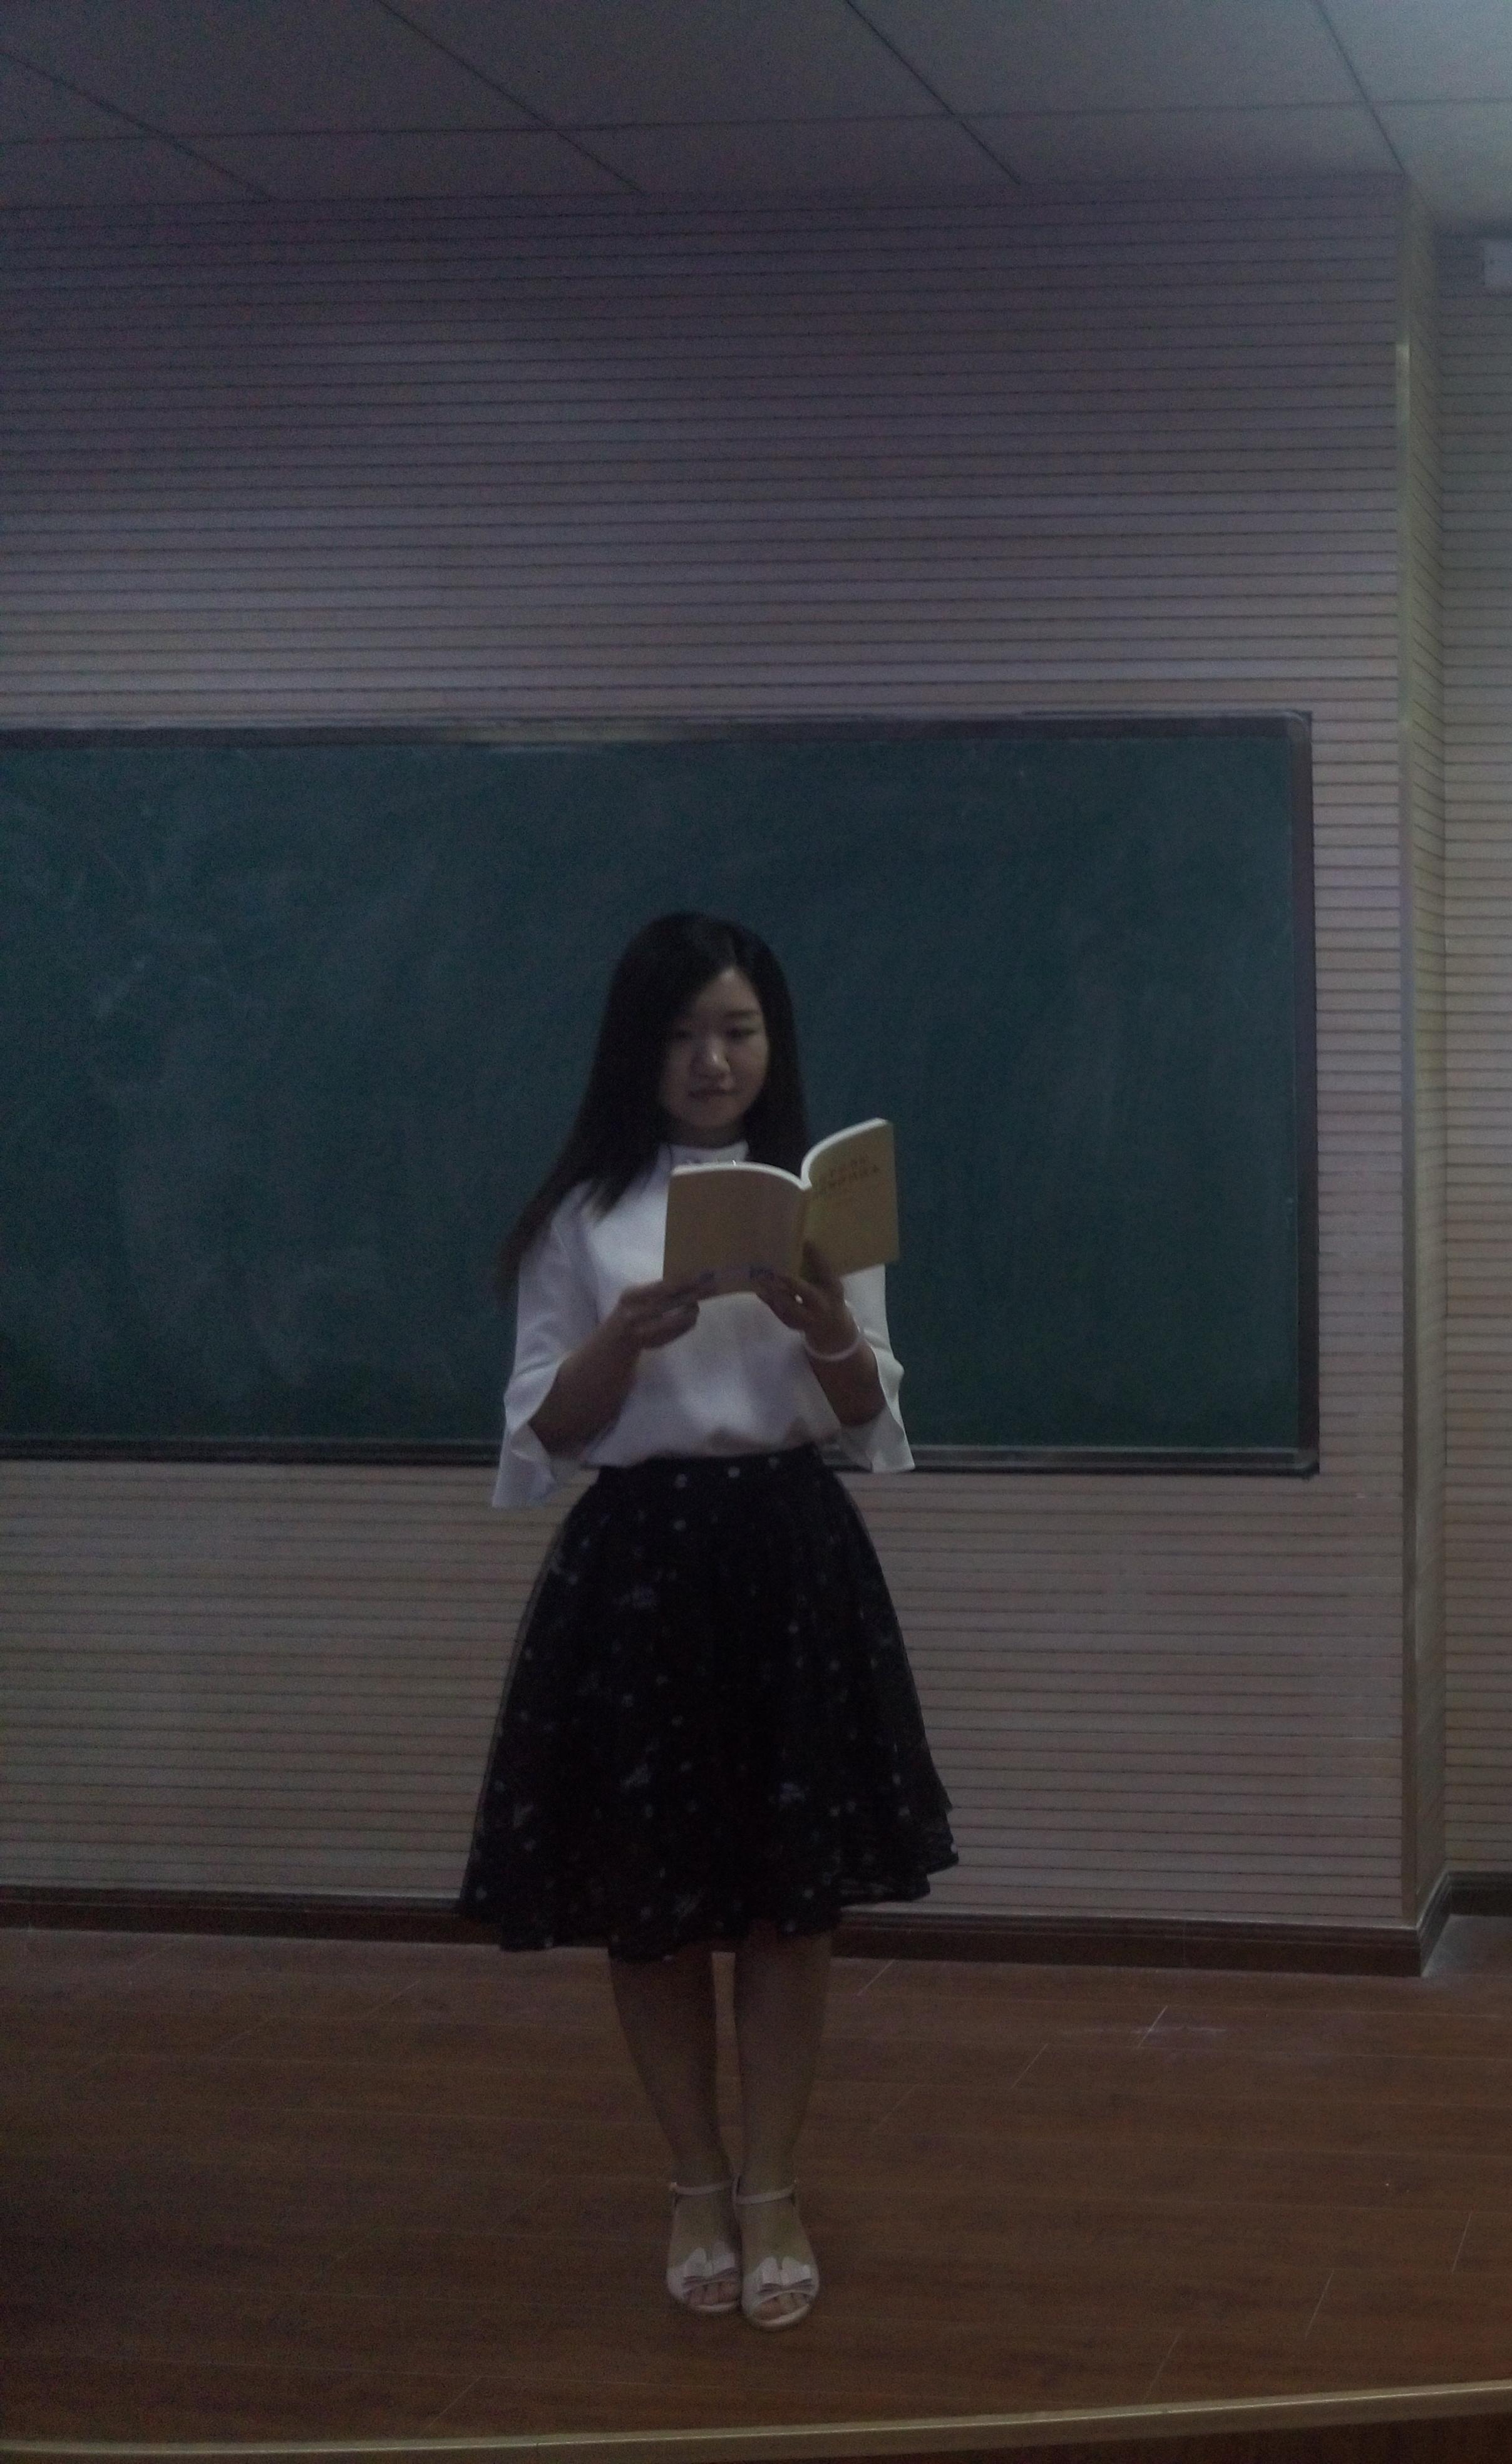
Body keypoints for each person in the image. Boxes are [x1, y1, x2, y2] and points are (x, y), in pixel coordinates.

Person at [460, 911, 955, 2331]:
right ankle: (694, 2179)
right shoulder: (581, 1214)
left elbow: (870, 1420)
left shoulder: (823, 1200)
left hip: (790, 1555)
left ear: (771, 1043)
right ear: (638, 1050)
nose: (713, 1059)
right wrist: (623, 1340)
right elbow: (543, 1433)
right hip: (638, 1567)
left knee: (792, 1906)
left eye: (737, 1030)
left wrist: (825, 1324)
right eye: (681, 1035)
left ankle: (773, 2185)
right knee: (652, 1906)